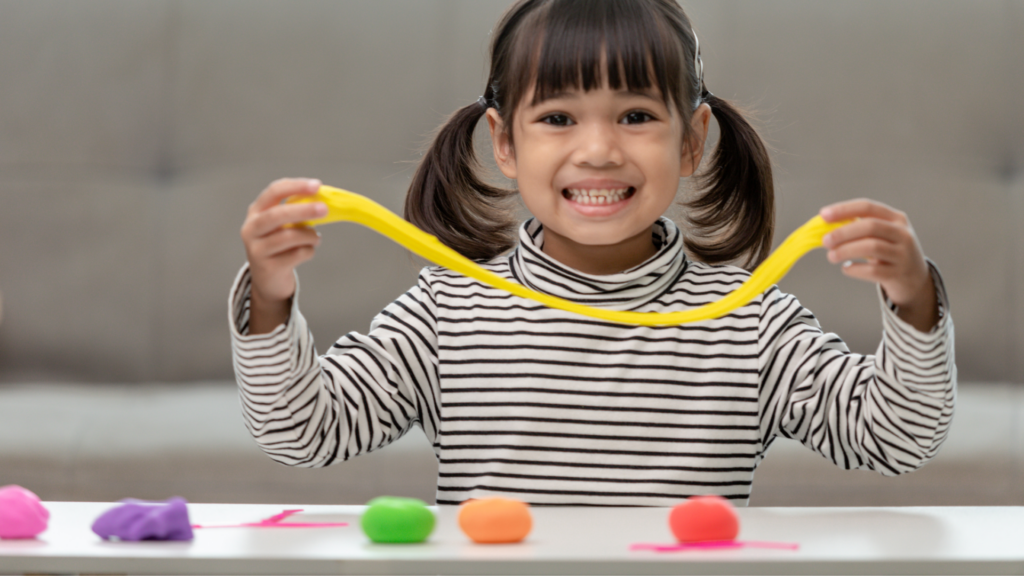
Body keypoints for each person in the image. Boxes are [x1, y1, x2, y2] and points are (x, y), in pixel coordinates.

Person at [229, 0, 954, 506]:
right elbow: (304, 433)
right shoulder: (448, 310)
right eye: (558, 118)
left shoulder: (751, 323)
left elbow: (894, 439)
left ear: (692, 140)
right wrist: (270, 292)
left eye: (637, 116)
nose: (600, 149)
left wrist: (913, 299)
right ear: (506, 143)